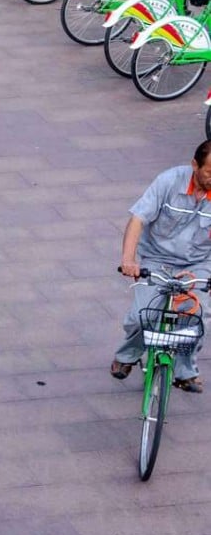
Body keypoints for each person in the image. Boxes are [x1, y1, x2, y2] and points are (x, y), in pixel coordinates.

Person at [112, 140, 211, 393]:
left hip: (199, 263)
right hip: (158, 259)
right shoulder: (169, 181)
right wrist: (128, 260)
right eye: (209, 172)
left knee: (196, 317)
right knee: (141, 316)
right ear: (194, 166)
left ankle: (184, 371)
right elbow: (138, 219)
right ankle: (128, 355)